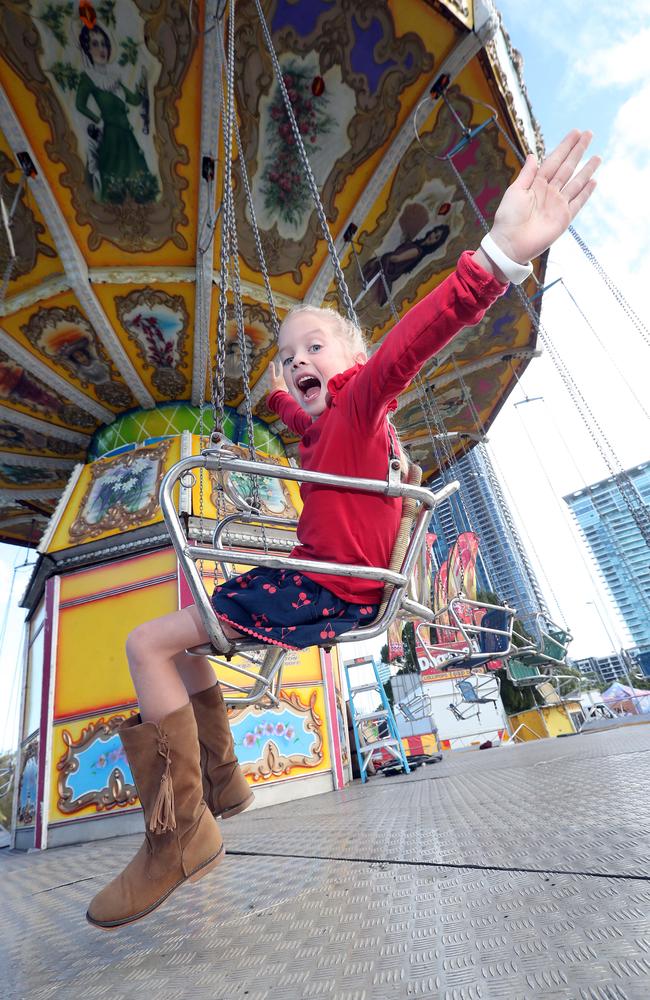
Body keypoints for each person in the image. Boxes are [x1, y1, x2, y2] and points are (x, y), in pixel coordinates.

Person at [86, 130, 600, 929]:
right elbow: (307, 430)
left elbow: (412, 342)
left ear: (353, 358)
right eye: (289, 353)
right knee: (186, 636)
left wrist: (497, 257)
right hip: (328, 585)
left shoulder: (363, 400)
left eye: (314, 346)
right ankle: (221, 782)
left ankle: (177, 834)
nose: (297, 359)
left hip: (328, 586)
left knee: (147, 643)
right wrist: (281, 396)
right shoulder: (327, 428)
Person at [76, 24, 158, 204]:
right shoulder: (89, 78)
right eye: (95, 44)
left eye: (104, 44)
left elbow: (135, 100)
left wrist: (144, 83)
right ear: (87, 49)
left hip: (127, 135)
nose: (101, 49)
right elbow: (80, 105)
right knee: (114, 182)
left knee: (139, 183)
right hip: (111, 135)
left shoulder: (115, 79)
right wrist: (96, 120)